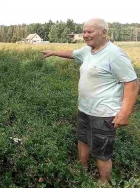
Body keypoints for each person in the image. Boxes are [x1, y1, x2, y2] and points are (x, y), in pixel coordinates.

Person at [41, 18, 139, 184]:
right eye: (84, 32)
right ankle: (83, 170)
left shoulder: (115, 55)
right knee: (82, 140)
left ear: (104, 32)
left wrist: (124, 113)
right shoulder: (88, 51)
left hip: (103, 114)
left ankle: (103, 182)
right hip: (84, 109)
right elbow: (72, 53)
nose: (85, 35)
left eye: (90, 31)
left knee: (102, 152)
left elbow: (132, 83)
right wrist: (53, 52)